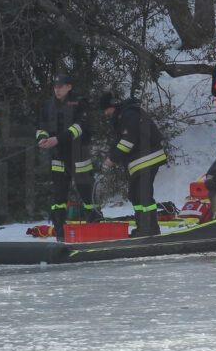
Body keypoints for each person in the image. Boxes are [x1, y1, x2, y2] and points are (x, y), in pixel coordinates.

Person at [36, 72, 101, 241]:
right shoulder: (48, 105)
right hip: (58, 156)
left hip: (78, 155)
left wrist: (57, 139)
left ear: (69, 87)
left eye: (61, 87)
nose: (57, 90)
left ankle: (95, 226)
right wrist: (42, 138)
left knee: (87, 194)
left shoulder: (80, 103)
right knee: (59, 197)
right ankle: (60, 232)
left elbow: (80, 127)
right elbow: (41, 126)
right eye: (55, 87)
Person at [100, 92, 167, 237]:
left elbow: (127, 142)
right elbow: (121, 138)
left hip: (147, 158)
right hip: (140, 160)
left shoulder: (129, 114)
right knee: (135, 196)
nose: (106, 113)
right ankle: (143, 227)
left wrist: (112, 158)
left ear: (112, 106)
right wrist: (110, 151)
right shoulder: (122, 116)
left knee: (143, 195)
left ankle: (150, 228)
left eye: (106, 109)